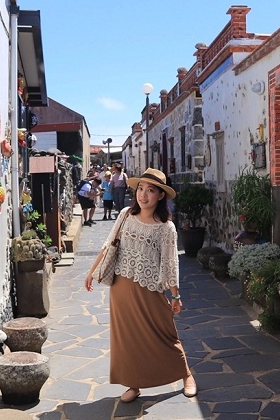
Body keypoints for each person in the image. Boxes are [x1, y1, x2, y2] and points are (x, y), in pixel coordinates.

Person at [83, 168, 196, 403]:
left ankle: (186, 375)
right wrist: (91, 272)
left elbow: (170, 264)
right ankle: (133, 384)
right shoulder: (125, 214)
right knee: (126, 338)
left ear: (160, 196)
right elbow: (108, 245)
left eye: (150, 190)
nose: (143, 195)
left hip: (150, 289)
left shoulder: (166, 227)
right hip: (121, 287)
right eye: (141, 189)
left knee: (164, 334)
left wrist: (175, 296)